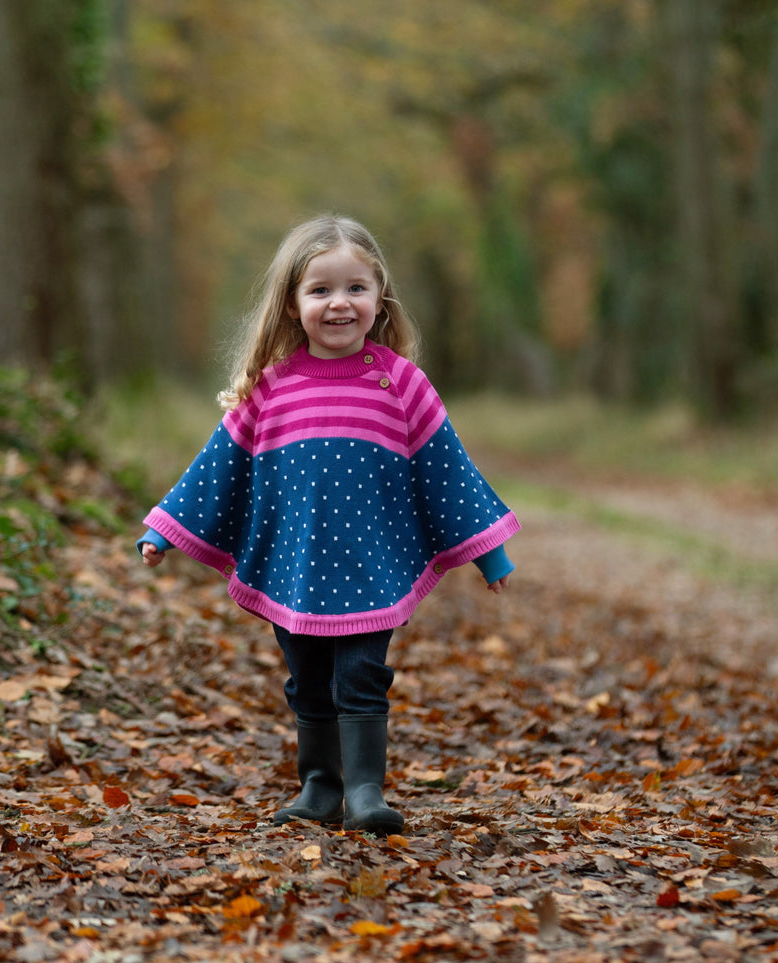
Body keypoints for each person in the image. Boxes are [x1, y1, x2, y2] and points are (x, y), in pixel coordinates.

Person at [136, 214, 518, 834]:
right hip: (296, 568)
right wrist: (166, 528)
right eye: (320, 291)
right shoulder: (271, 389)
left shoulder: (401, 383)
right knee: (307, 679)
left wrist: (489, 554)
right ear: (291, 305)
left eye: (355, 288)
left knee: (362, 675)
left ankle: (366, 790)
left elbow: (448, 470)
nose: (339, 303)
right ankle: (319, 785)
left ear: (379, 298)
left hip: (371, 566)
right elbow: (218, 465)